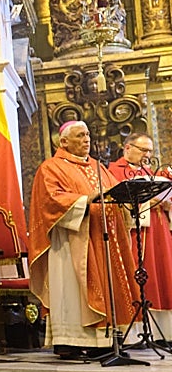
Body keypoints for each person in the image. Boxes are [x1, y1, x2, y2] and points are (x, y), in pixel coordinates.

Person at [30, 121, 138, 358]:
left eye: (88, 134)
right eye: (80, 135)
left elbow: (114, 193)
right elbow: (51, 201)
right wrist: (85, 200)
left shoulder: (99, 167)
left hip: (105, 240)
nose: (87, 139)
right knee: (72, 289)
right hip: (72, 242)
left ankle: (107, 340)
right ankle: (70, 341)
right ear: (64, 142)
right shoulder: (51, 168)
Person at [107, 132, 172, 340]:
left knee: (163, 273)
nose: (147, 155)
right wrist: (150, 202)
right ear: (127, 148)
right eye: (143, 150)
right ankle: (141, 332)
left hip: (159, 232)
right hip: (137, 233)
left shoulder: (151, 173)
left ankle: (166, 333)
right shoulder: (114, 172)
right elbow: (119, 203)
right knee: (143, 276)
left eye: (150, 151)